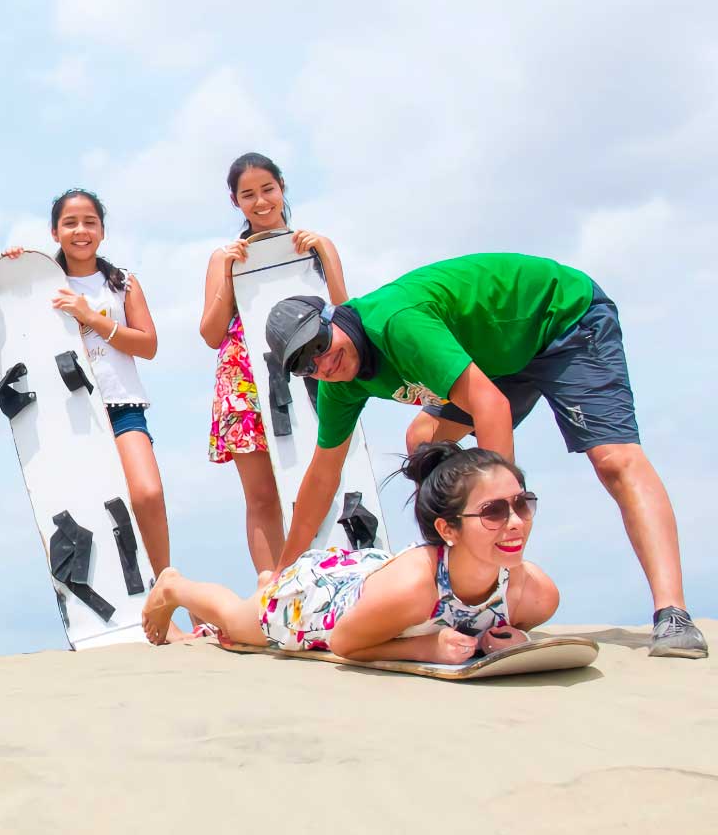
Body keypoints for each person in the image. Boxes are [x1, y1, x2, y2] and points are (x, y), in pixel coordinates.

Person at [263, 252, 706, 659]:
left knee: (613, 459)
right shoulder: (339, 382)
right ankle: (449, 569)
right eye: (305, 365)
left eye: (319, 344)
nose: (322, 364)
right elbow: (323, 477)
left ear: (333, 317)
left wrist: (496, 518)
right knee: (423, 438)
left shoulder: (397, 324)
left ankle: (673, 613)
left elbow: (491, 406)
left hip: (561, 318)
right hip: (493, 359)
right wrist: (283, 575)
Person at [143, 442, 559, 660]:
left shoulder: (533, 594)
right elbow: (343, 642)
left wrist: (510, 639)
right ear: (447, 528)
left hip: (369, 579)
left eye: (523, 503)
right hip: (321, 602)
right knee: (237, 624)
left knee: (255, 604)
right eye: (494, 511)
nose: (516, 522)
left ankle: (268, 582)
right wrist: (424, 648)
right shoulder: (416, 588)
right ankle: (174, 587)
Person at [3, 188, 186, 639]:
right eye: (70, 223)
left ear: (102, 230)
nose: (80, 231)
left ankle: (167, 598)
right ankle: (107, 616)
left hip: (121, 404)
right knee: (87, 513)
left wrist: (93, 318)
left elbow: (148, 344)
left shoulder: (122, 282)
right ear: (54, 232)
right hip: (68, 413)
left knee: (146, 494)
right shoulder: (41, 284)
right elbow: (6, 316)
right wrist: (11, 267)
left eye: (89, 222)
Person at [198, 153, 348, 575]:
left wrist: (323, 252)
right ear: (235, 201)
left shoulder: (316, 243)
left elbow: (347, 312)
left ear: (282, 187)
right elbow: (210, 334)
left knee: (322, 481)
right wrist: (228, 271)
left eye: (267, 189)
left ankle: (332, 576)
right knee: (262, 497)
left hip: (315, 373)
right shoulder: (224, 256)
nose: (260, 201)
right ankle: (273, 589)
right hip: (243, 378)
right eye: (248, 195)